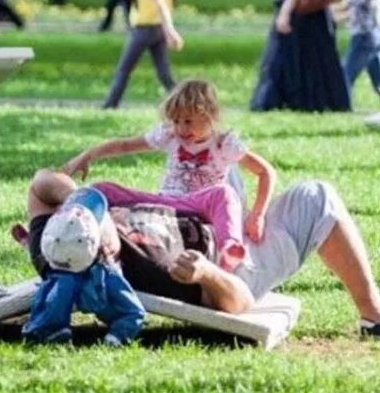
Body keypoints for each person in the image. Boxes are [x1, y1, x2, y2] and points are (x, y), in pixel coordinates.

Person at [24, 170, 380, 339]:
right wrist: (206, 273)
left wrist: (88, 205)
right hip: (236, 266)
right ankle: (378, 318)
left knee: (229, 171)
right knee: (318, 196)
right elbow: (237, 301)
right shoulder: (119, 275)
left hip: (212, 220)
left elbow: (42, 183)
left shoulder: (56, 237)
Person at [62, 79, 274, 271]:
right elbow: (125, 145)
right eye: (176, 121)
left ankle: (230, 248)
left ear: (209, 115)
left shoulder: (223, 143)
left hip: (199, 206)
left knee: (225, 194)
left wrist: (257, 215)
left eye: (188, 121)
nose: (181, 128)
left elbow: (265, 172)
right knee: (102, 188)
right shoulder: (169, 135)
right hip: (165, 201)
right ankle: (67, 225)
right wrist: (87, 156)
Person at [23, 186, 146, 346]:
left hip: (67, 269)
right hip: (99, 276)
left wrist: (47, 329)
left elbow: (43, 308)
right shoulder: (108, 276)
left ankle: (53, 331)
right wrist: (117, 336)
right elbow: (133, 312)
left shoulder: (58, 281)